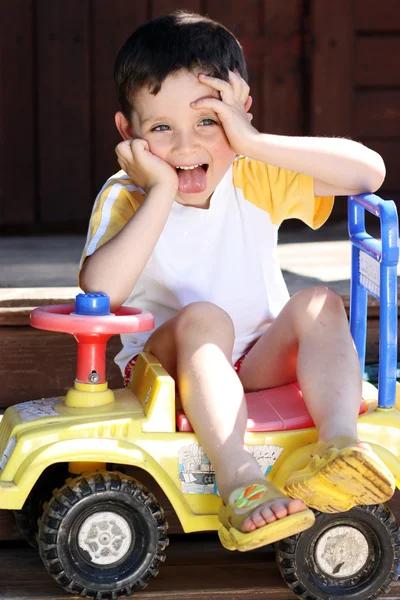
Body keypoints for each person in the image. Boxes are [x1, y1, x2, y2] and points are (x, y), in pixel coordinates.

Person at [79, 10, 395, 551]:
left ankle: (339, 446)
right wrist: (158, 192)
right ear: (127, 132)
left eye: (209, 122)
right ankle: (238, 476)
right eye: (160, 129)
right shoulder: (125, 195)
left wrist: (253, 142)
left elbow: (368, 172)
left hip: (256, 358)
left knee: (320, 301)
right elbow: (100, 292)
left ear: (240, 113)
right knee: (205, 317)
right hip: (169, 368)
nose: (185, 148)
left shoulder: (252, 172)